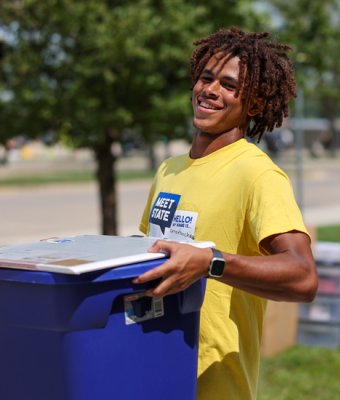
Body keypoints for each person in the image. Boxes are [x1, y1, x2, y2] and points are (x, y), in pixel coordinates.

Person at [134, 27, 318, 400]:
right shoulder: (169, 169)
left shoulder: (256, 173)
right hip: (154, 369)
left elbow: (303, 276)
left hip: (218, 386)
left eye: (228, 85)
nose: (210, 90)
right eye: (206, 78)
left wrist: (210, 263)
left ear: (252, 104)